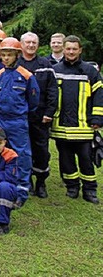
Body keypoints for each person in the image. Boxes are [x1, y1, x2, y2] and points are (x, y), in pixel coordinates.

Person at [51, 35, 102, 204]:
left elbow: (99, 95)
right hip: (61, 125)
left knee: (86, 159)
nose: (71, 52)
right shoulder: (55, 69)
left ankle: (90, 190)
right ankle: (72, 187)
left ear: (80, 50)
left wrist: (97, 118)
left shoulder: (90, 71)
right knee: (65, 159)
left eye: (74, 49)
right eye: (68, 48)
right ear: (63, 49)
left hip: (84, 126)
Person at [0, 37, 39, 207]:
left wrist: (23, 114)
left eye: (9, 55)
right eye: (3, 55)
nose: (6, 58)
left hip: (18, 121)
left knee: (22, 155)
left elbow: (34, 100)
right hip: (0, 120)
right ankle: (4, 186)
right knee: (0, 153)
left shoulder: (26, 76)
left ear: (17, 55)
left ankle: (21, 191)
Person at [18, 32, 58, 198]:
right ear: (21, 45)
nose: (31, 45)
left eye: (34, 42)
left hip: (41, 117)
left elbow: (52, 91)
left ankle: (41, 182)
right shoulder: (16, 64)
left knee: (41, 150)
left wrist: (49, 112)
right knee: (23, 151)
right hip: (20, 116)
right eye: (28, 42)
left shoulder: (45, 64)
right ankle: (26, 181)